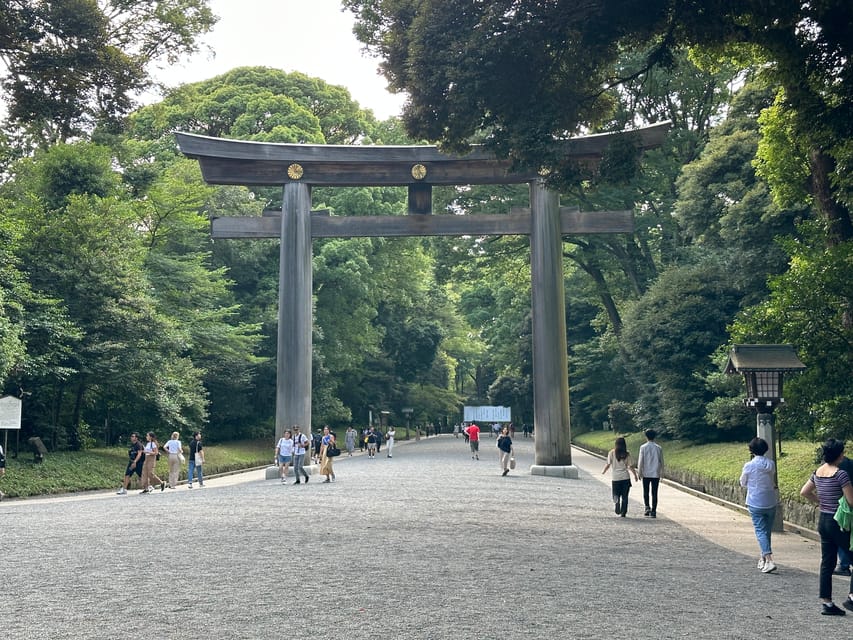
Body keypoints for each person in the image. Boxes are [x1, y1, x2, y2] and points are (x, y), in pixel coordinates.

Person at [799, 438, 853, 615]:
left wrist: (820, 501)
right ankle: (851, 598)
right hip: (839, 522)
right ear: (839, 455)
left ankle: (827, 603)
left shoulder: (818, 472)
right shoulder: (840, 474)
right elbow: (851, 501)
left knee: (827, 563)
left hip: (823, 520)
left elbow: (804, 492)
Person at [739, 437, 778, 573]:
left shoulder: (749, 465)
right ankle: (762, 558)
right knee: (766, 531)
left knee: (760, 531)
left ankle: (769, 559)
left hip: (755, 501)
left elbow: (743, 482)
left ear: (751, 450)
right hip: (770, 501)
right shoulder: (771, 464)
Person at [602, 437, 638, 517]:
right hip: (625, 477)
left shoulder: (611, 453)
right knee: (625, 496)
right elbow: (630, 466)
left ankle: (617, 502)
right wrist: (635, 475)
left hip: (616, 478)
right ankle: (623, 512)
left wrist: (604, 471)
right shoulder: (627, 453)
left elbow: (608, 464)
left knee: (615, 493)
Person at [637, 429, 664, 518]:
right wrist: (662, 472)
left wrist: (639, 472)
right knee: (654, 492)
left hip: (646, 472)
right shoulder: (658, 448)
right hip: (655, 473)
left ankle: (647, 507)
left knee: (646, 491)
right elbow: (661, 461)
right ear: (654, 436)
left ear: (646, 437)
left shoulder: (643, 447)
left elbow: (641, 461)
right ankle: (654, 511)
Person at [835, 454, 853, 576]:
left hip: (844, 506)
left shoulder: (839, 471)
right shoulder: (849, 463)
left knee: (842, 534)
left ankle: (844, 565)